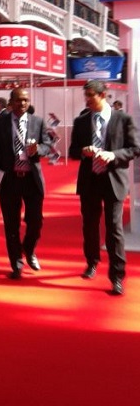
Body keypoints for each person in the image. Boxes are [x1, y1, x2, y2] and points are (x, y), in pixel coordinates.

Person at [68, 80, 140, 296]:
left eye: (91, 95)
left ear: (103, 95)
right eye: (86, 95)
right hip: (89, 181)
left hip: (113, 181)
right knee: (89, 226)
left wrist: (113, 155)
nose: (87, 99)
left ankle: (117, 276)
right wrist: (84, 151)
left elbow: (135, 149)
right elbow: (72, 151)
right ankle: (92, 261)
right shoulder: (81, 121)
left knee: (114, 228)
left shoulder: (123, 119)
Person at [0, 88, 52, 280]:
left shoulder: (37, 121)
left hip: (31, 179)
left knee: (35, 222)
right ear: (11, 102)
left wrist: (39, 149)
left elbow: (48, 145)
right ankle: (16, 263)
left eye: (25, 100)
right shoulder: (0, 123)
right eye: (18, 100)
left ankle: (29, 249)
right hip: (9, 180)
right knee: (11, 224)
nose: (22, 103)